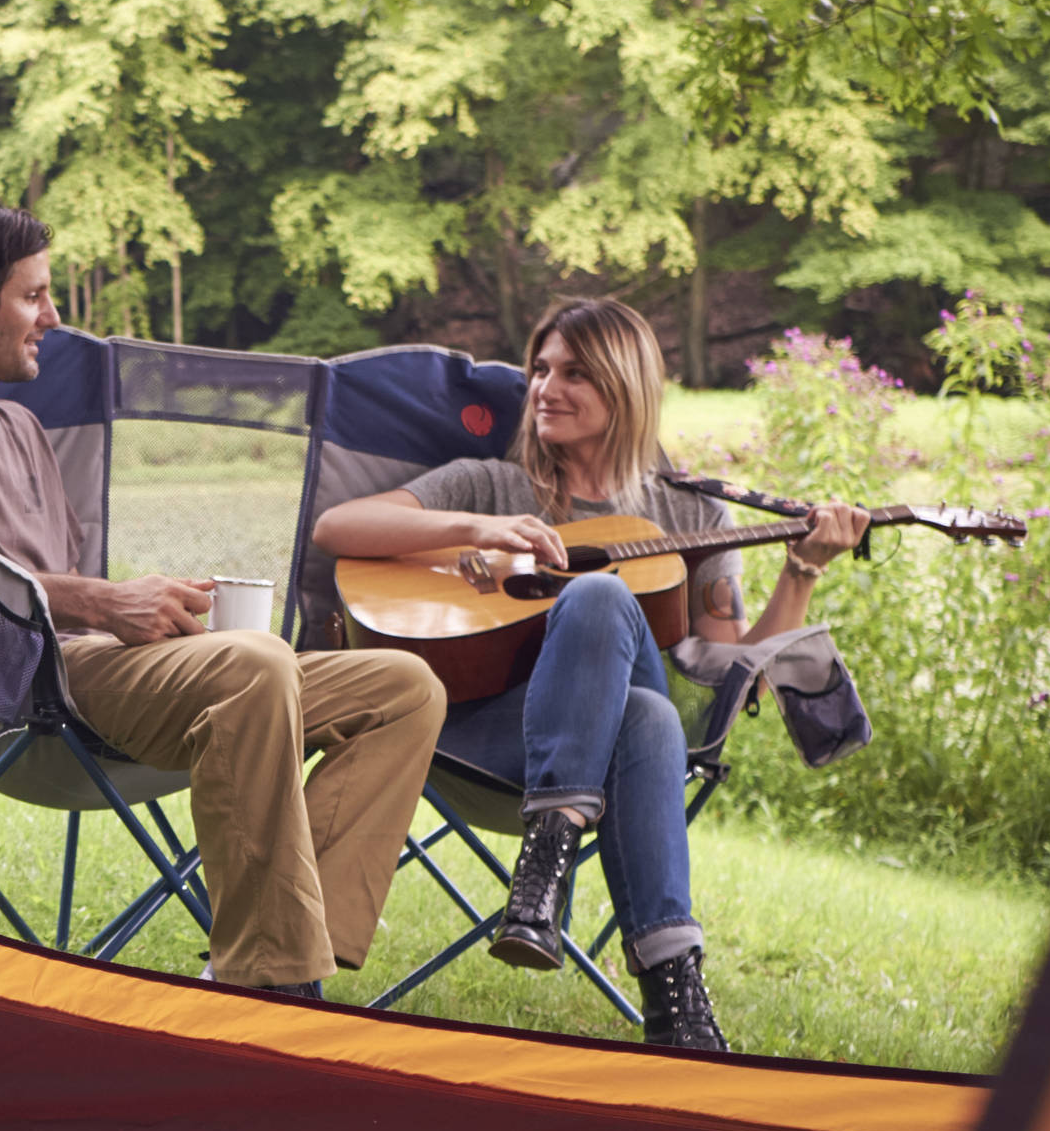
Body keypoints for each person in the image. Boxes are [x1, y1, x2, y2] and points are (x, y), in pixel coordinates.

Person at [0, 195, 446, 999]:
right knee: (254, 667)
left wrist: (157, 614)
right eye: (32, 295)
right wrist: (99, 602)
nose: (51, 316)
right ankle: (275, 988)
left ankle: (276, 951)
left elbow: (79, 599)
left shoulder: (20, 431)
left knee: (402, 688)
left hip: (93, 667)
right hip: (17, 689)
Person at [310, 296, 870, 1052]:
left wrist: (803, 568)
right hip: (486, 739)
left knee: (610, 612)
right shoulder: (489, 485)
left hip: (579, 764)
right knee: (648, 716)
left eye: (574, 372)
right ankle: (676, 999)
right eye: (540, 368)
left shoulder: (689, 514)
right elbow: (337, 528)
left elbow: (735, 668)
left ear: (625, 385)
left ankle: (546, 864)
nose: (544, 387)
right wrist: (476, 529)